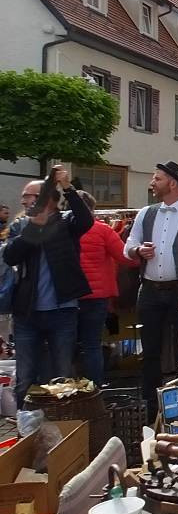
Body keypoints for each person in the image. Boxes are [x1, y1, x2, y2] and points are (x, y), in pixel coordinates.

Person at [2, 167, 93, 405]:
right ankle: (26, 428)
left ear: (48, 200)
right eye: (23, 197)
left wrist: (68, 187)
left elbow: (86, 220)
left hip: (62, 312)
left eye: (29, 196)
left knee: (61, 376)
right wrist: (34, 228)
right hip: (27, 314)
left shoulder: (66, 222)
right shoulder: (20, 226)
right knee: (25, 377)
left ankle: (61, 428)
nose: (23, 200)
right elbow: (11, 255)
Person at [124, 161, 178, 420]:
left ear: (172, 183)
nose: (151, 183)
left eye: (157, 179)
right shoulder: (146, 213)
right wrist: (137, 251)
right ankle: (151, 410)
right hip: (150, 290)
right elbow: (129, 245)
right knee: (150, 351)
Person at [77, 190, 138, 387]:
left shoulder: (62, 229)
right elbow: (125, 258)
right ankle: (94, 388)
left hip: (68, 296)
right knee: (92, 344)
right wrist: (143, 255)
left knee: (66, 345)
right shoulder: (103, 230)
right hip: (97, 296)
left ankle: (68, 388)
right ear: (93, 209)